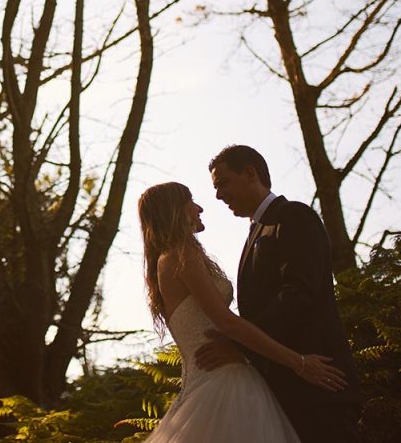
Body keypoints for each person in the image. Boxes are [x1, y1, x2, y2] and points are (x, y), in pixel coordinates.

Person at [137, 181, 346, 442]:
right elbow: (228, 324)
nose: (199, 207)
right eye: (190, 202)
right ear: (174, 210)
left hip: (206, 382)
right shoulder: (181, 255)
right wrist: (299, 363)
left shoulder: (168, 260)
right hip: (223, 382)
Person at [197, 145, 362, 442]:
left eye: (222, 183)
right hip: (282, 388)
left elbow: (298, 293)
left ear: (250, 173)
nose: (218, 195)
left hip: (318, 383)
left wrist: (240, 343)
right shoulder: (255, 232)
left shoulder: (293, 216)